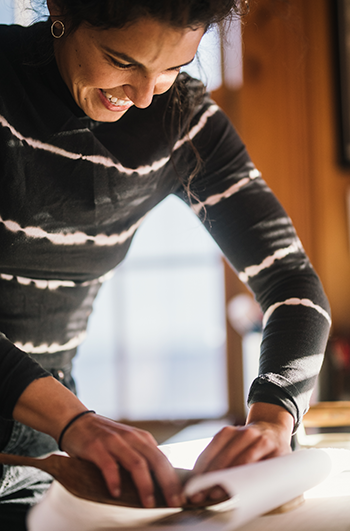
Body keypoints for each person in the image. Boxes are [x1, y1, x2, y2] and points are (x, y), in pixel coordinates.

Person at [0, 0, 331, 525]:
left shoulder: (183, 122)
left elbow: (291, 283)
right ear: (63, 10)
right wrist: (75, 421)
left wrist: (272, 420)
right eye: (122, 60)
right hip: (60, 417)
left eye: (173, 68)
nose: (145, 95)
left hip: (48, 433)